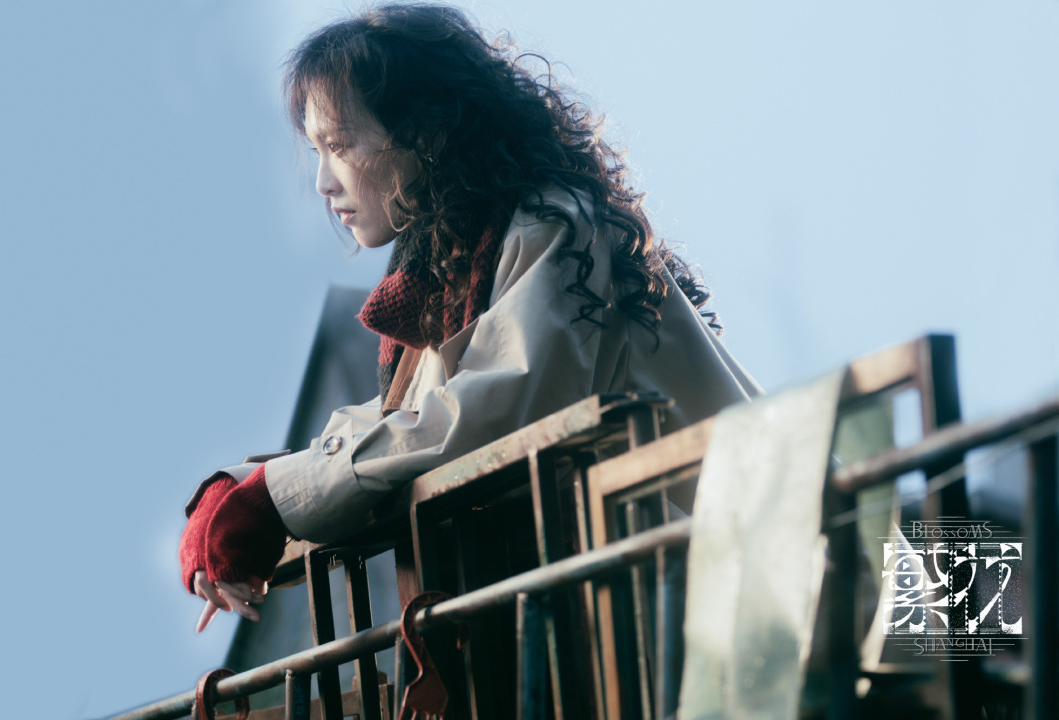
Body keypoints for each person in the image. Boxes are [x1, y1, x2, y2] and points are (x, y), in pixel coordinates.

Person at [178, 3, 760, 632]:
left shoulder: (554, 223)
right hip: (667, 612)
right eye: (316, 149)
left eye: (339, 144)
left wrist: (271, 497)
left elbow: (488, 414)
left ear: (425, 133)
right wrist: (244, 486)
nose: (322, 181)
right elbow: (408, 423)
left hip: (762, 592)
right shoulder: (453, 266)